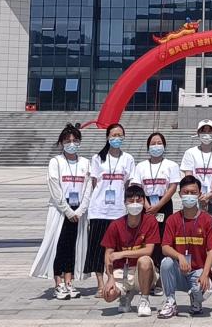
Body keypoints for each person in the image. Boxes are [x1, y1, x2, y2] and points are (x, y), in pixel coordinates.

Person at [30, 123, 93, 299]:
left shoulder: (85, 163)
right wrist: (67, 211)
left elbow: (89, 188)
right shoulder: (56, 162)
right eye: (67, 141)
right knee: (59, 246)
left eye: (75, 140)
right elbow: (55, 188)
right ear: (61, 143)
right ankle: (58, 283)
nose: (71, 144)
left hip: (78, 211)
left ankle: (69, 281)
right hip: (60, 211)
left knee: (73, 247)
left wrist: (80, 210)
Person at [157, 176, 212, 318]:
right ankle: (170, 301)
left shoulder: (207, 220)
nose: (189, 196)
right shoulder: (173, 219)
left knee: (203, 289)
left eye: (193, 192)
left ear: (199, 194)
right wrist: (179, 256)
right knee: (166, 262)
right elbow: (165, 247)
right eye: (186, 192)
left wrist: (205, 274)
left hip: (197, 271)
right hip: (179, 270)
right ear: (180, 194)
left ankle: (196, 300)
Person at [85, 123, 136, 295]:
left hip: (118, 210)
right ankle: (100, 282)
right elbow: (94, 183)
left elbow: (129, 184)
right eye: (113, 135)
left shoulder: (128, 158)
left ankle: (113, 279)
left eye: (120, 135)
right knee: (97, 248)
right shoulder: (98, 158)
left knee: (116, 248)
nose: (116, 138)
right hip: (99, 210)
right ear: (107, 137)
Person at [99, 184, 160, 316]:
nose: (135, 204)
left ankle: (144, 300)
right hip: (121, 271)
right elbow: (108, 254)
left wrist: (122, 254)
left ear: (144, 202)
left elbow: (148, 250)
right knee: (108, 295)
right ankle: (125, 295)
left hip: (140, 271)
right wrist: (110, 278)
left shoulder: (150, 221)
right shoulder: (115, 225)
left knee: (145, 260)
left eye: (139, 200)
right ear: (125, 202)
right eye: (131, 201)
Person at [131, 132, 181, 290]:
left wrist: (159, 205)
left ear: (164, 146)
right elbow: (137, 187)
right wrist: (146, 206)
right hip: (145, 204)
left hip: (163, 204)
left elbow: (172, 187)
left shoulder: (171, 165)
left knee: (163, 239)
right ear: (148, 147)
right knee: (147, 239)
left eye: (159, 143)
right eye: (153, 143)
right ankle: (147, 277)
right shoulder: (141, 166)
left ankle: (161, 279)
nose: (156, 146)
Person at [180, 119, 212, 216]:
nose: (206, 134)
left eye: (209, 131)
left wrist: (210, 194)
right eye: (203, 131)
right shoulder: (190, 153)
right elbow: (188, 176)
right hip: (194, 197)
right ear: (198, 133)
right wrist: (198, 194)